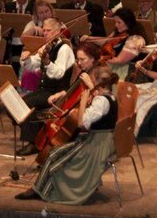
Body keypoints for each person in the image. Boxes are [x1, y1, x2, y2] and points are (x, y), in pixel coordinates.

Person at [15, 65, 120, 204]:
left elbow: (82, 124)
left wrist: (83, 102)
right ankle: (42, 187)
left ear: (96, 82)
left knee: (54, 154)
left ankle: (39, 190)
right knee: (57, 152)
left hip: (96, 145)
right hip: (102, 139)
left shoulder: (101, 101)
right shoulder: (111, 96)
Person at [15, 19, 76, 157]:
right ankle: (38, 138)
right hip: (43, 91)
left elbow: (59, 73)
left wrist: (47, 62)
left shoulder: (64, 49)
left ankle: (34, 143)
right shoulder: (46, 46)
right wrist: (26, 58)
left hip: (57, 92)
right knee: (15, 106)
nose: (45, 33)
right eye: (44, 30)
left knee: (25, 105)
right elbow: (33, 66)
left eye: (48, 30)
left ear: (57, 32)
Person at [20, 1, 57, 91]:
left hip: (50, 61)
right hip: (31, 60)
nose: (44, 15)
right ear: (36, 15)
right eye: (41, 13)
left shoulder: (58, 25)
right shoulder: (32, 24)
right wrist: (33, 29)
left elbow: (64, 40)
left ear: (51, 11)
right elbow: (22, 39)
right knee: (26, 70)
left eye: (46, 11)